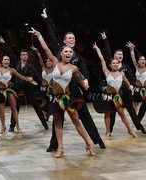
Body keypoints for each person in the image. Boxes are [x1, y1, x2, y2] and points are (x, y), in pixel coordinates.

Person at [41, 8, 105, 151]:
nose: (72, 40)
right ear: (64, 42)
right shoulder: (59, 51)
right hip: (58, 89)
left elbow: (84, 72)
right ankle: (54, 145)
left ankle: (97, 140)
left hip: (74, 90)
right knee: (58, 117)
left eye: (73, 39)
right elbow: (51, 37)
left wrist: (86, 80)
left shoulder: (79, 57)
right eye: (69, 38)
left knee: (84, 116)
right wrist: (46, 19)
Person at [30, 27, 95, 158]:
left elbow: (80, 80)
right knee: (58, 123)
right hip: (54, 98)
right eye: (66, 51)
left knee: (76, 120)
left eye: (70, 52)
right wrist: (39, 35)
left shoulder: (74, 68)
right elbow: (46, 49)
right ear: (61, 53)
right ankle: (60, 148)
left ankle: (89, 144)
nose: (68, 53)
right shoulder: (54, 62)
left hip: (67, 98)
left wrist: (85, 84)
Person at [0, 36, 49, 132]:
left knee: (36, 105)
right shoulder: (16, 63)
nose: (25, 56)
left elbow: (31, 75)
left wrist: (31, 78)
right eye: (23, 55)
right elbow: (9, 53)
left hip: (28, 87)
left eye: (26, 54)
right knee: (15, 106)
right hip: (18, 87)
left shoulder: (30, 65)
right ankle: (12, 126)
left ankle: (44, 124)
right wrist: (4, 43)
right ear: (20, 56)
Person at [100, 32, 146, 135]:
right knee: (113, 112)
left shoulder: (126, 67)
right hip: (115, 91)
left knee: (131, 110)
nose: (120, 55)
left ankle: (139, 128)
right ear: (114, 56)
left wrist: (132, 87)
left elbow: (132, 79)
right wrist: (105, 40)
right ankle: (109, 131)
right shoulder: (112, 65)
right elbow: (107, 52)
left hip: (126, 91)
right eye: (118, 54)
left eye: (121, 54)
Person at [0, 43, 38, 134]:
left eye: (8, 60)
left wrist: (30, 80)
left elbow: (21, 76)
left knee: (14, 109)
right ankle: (3, 127)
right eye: (5, 59)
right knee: (1, 110)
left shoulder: (12, 70)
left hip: (9, 90)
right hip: (1, 91)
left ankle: (18, 126)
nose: (7, 61)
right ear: (2, 61)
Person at [93, 42, 138, 140]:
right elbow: (102, 60)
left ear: (118, 65)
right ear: (110, 65)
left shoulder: (122, 74)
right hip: (108, 96)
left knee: (122, 114)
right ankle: (108, 132)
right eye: (113, 63)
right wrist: (98, 50)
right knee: (107, 113)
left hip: (117, 97)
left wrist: (132, 89)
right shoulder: (107, 72)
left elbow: (127, 84)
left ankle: (130, 130)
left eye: (116, 63)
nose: (115, 64)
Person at [31, 45, 53, 121]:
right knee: (43, 101)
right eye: (47, 61)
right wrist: (37, 51)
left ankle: (50, 114)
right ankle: (44, 116)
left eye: (50, 61)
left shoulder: (54, 69)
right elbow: (40, 59)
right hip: (43, 87)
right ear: (46, 62)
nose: (49, 62)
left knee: (51, 101)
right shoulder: (43, 67)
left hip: (51, 88)